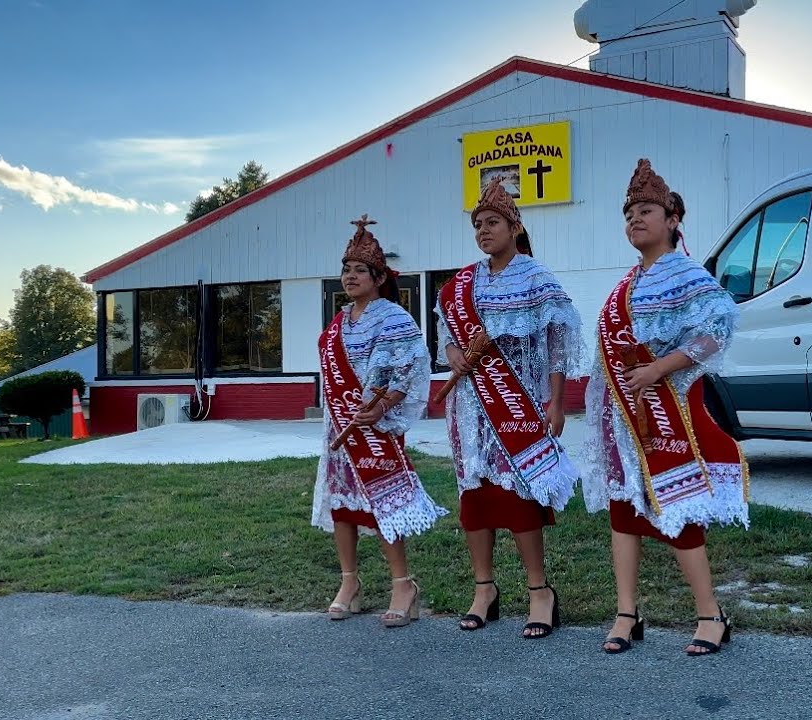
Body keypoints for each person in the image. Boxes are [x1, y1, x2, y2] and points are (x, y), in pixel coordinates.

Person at [581, 159, 749, 656]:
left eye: (647, 210)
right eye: (629, 212)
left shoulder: (687, 276)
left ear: (674, 219)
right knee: (624, 515)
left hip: (673, 411)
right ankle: (626, 613)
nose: (635, 218)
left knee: (679, 509)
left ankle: (710, 614)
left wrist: (658, 369)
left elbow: (718, 330)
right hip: (627, 418)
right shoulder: (625, 286)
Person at [435, 178, 588, 639]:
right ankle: (485, 590)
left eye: (493, 222)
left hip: (518, 406)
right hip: (469, 407)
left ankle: (540, 592)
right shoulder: (463, 284)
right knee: (476, 497)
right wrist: (452, 353)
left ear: (514, 226)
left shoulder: (537, 279)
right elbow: (447, 335)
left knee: (519, 497)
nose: (483, 230)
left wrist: (556, 403)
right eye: (478, 224)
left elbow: (558, 345)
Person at [312, 215, 448, 628]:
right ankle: (349, 583)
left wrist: (386, 404)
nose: (350, 277)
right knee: (341, 504)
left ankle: (403, 585)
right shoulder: (339, 322)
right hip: (340, 424)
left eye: (359, 271)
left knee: (383, 502)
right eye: (346, 270)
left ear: (378, 276)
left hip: (377, 428)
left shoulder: (392, 317)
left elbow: (411, 366)